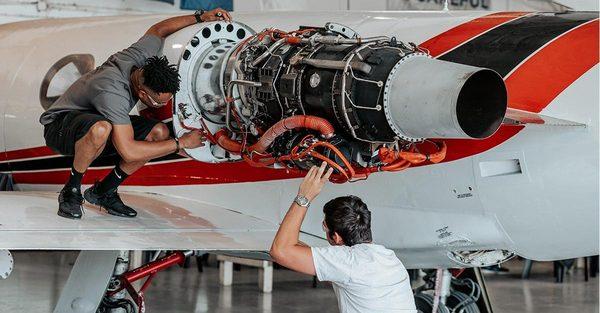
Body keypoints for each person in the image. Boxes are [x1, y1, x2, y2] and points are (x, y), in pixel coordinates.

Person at [39, 8, 233, 219]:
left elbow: (159, 30)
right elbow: (129, 152)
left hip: (100, 117)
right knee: (101, 129)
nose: (162, 105)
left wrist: (200, 17)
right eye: (158, 102)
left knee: (158, 133)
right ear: (142, 93)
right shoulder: (113, 92)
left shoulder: (141, 57)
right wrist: (181, 144)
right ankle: (72, 190)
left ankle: (104, 191)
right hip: (61, 126)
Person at [270, 162, 417, 313]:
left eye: (325, 227)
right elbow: (311, 257)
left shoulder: (349, 261)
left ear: (337, 237)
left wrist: (304, 197)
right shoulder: (388, 258)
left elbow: (280, 251)